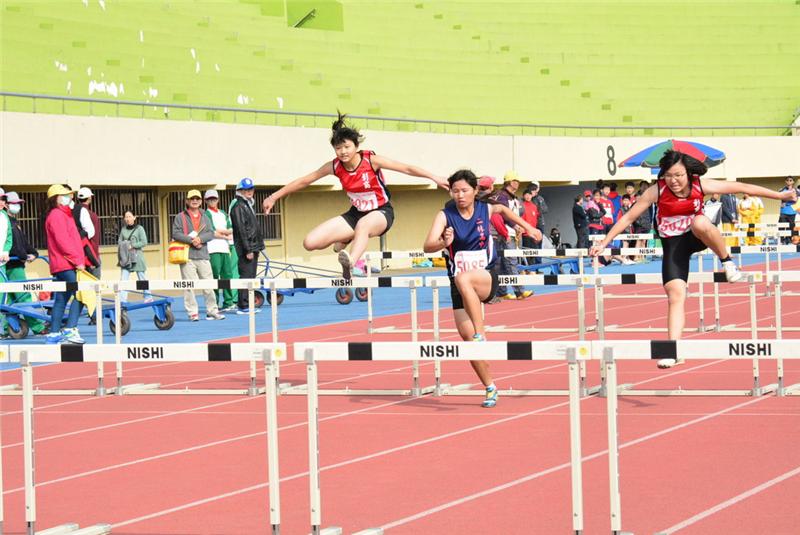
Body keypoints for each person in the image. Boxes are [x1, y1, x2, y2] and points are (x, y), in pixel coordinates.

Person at [590, 150, 797, 368]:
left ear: (688, 173)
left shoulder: (701, 185)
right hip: (673, 245)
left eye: (678, 175)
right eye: (669, 175)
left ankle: (727, 262)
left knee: (700, 222)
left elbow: (743, 188)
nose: (674, 180)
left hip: (697, 236)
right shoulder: (656, 191)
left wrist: (781, 196)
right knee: (675, 295)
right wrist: (604, 243)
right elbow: (629, 217)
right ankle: (673, 350)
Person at [262, 112, 447, 278]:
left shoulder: (371, 160)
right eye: (338, 148)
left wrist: (434, 177)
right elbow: (304, 181)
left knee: (363, 225)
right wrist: (274, 196)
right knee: (310, 242)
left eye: (347, 147)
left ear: (356, 146)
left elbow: (406, 168)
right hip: (355, 214)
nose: (343, 152)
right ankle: (346, 238)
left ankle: (350, 263)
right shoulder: (334, 166)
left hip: (381, 213)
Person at [423, 169, 541, 408]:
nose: (460, 195)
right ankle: (490, 386)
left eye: (465, 190)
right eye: (455, 191)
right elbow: (427, 247)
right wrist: (443, 243)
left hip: (486, 277)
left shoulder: (484, 209)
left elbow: (505, 211)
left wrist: (528, 227)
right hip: (458, 285)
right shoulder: (444, 216)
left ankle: (481, 332)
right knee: (467, 342)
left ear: (475, 191)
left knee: (465, 280)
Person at [171, 189, 226, 322]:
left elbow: (210, 233)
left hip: (203, 255)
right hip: (187, 256)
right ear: (187, 201)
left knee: (209, 285)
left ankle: (212, 311)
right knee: (189, 286)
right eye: (192, 198)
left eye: (197, 198)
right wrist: (191, 240)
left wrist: (200, 240)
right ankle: (192, 313)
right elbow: (175, 233)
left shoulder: (205, 216)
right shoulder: (180, 217)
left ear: (201, 201)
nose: (194, 200)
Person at [43, 185, 86, 344]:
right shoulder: (57, 215)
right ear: (56, 198)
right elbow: (63, 242)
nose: (70, 198)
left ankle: (54, 333)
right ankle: (70, 329)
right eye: (65, 195)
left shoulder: (63, 214)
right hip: (66, 263)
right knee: (82, 293)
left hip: (64, 263)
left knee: (61, 299)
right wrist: (77, 261)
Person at [490, 176, 533, 300]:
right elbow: (502, 215)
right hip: (504, 233)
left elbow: (517, 213)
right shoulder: (502, 196)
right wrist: (513, 226)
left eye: (519, 181)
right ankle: (519, 291)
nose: (518, 183)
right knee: (510, 262)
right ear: (509, 182)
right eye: (515, 181)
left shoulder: (514, 197)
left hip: (511, 232)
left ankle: (502, 292)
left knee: (503, 264)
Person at [230, 178, 265, 313]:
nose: (249, 191)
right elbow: (241, 230)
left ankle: (248, 303)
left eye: (250, 189)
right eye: (245, 189)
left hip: (253, 246)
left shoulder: (247, 204)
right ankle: (243, 305)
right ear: (240, 191)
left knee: (251, 276)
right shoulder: (239, 206)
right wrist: (248, 249)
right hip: (247, 247)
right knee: (246, 276)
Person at [205, 189, 238, 312]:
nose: (212, 201)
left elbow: (231, 228)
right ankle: (214, 303)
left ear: (218, 199)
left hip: (225, 249)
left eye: (214, 198)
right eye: (209, 199)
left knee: (227, 276)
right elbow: (212, 231)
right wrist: (224, 234)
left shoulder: (223, 213)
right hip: (212, 249)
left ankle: (228, 302)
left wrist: (221, 232)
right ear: (206, 201)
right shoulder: (206, 214)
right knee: (214, 276)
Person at [118, 210, 153, 303]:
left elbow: (144, 242)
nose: (128, 219)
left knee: (142, 277)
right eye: (126, 217)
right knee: (123, 279)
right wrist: (125, 245)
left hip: (137, 257)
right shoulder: (123, 229)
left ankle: (148, 296)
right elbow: (119, 242)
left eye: (130, 216)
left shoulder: (139, 228)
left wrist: (133, 245)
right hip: (126, 258)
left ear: (134, 217)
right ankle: (122, 300)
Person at [77, 187, 101, 278]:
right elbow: (92, 234)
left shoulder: (73, 212)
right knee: (95, 283)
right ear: (89, 198)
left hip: (80, 254)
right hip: (92, 253)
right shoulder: (90, 214)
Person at [778, 176, 798, 244]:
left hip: (792, 211)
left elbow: (795, 200)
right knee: (782, 226)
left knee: (791, 226)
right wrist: (790, 198)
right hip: (783, 211)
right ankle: (782, 239)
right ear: (785, 181)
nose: (789, 182)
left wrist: (786, 199)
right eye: (787, 180)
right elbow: (780, 196)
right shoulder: (782, 190)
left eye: (790, 180)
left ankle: (789, 239)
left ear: (793, 182)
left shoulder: (796, 190)